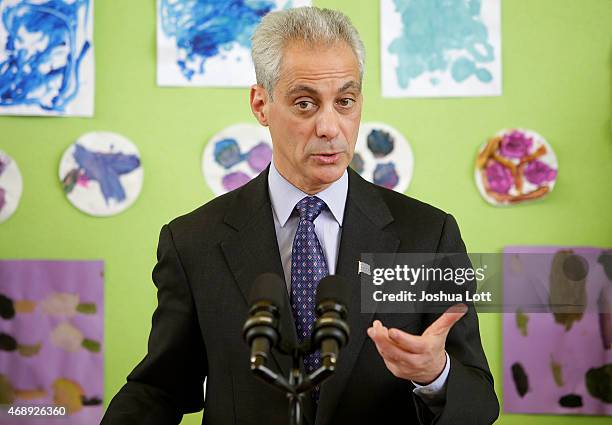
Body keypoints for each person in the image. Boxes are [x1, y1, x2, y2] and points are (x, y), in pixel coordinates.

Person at [102, 7, 499, 425]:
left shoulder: (429, 235)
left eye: (345, 101)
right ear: (261, 104)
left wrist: (435, 376)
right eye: (305, 103)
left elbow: (479, 405)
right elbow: (160, 388)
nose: (330, 127)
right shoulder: (192, 242)